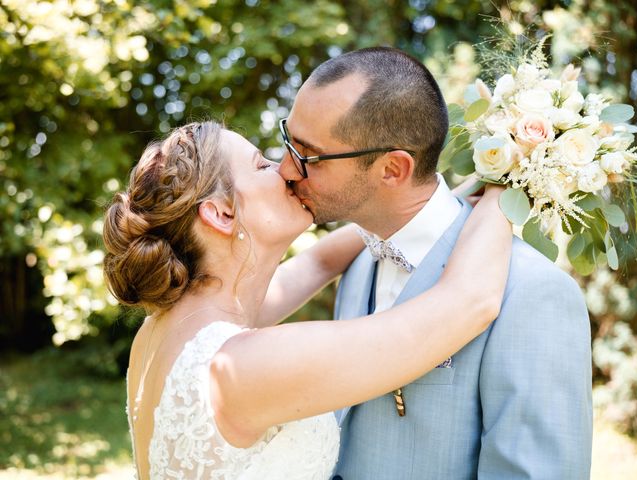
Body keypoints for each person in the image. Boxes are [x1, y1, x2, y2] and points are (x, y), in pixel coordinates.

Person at [103, 121, 512, 479]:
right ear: (222, 214)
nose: (285, 169)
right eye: (261, 165)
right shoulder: (242, 367)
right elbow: (469, 301)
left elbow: (318, 262)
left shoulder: (168, 329)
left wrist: (434, 206)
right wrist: (510, 178)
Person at [278, 47, 593, 479]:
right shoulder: (355, 265)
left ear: (392, 169)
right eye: (286, 141)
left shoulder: (531, 291)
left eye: (307, 155)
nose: (285, 169)